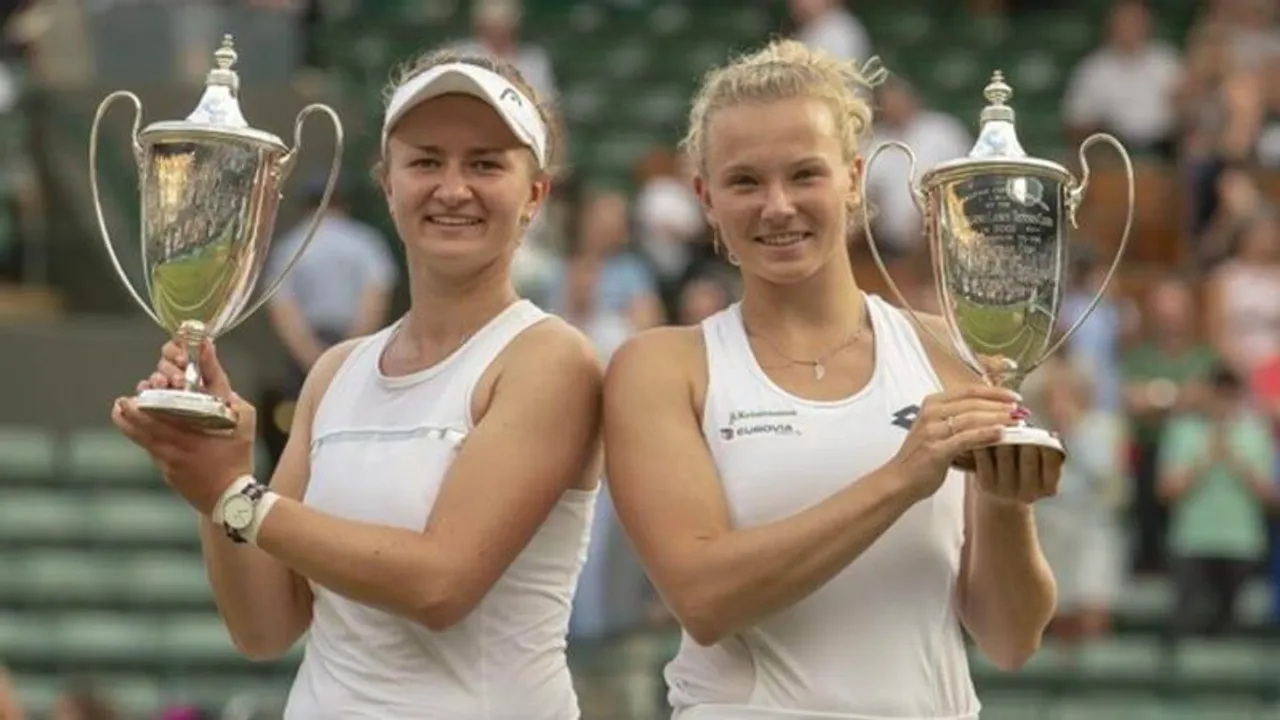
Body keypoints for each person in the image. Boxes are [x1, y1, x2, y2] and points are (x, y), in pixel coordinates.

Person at [111, 49, 603, 719]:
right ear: (388, 182)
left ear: (535, 194)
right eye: (426, 160)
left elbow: (440, 584)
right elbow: (264, 629)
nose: (453, 188)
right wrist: (211, 471)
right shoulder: (337, 371)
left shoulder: (551, 359)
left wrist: (239, 497)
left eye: (485, 163)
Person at [603, 39, 1061, 718]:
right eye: (745, 182)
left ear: (852, 179)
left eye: (804, 175)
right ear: (706, 198)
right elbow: (703, 598)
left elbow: (1011, 637)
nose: (778, 206)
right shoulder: (664, 366)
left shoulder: (949, 350)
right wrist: (899, 480)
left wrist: (1004, 500)